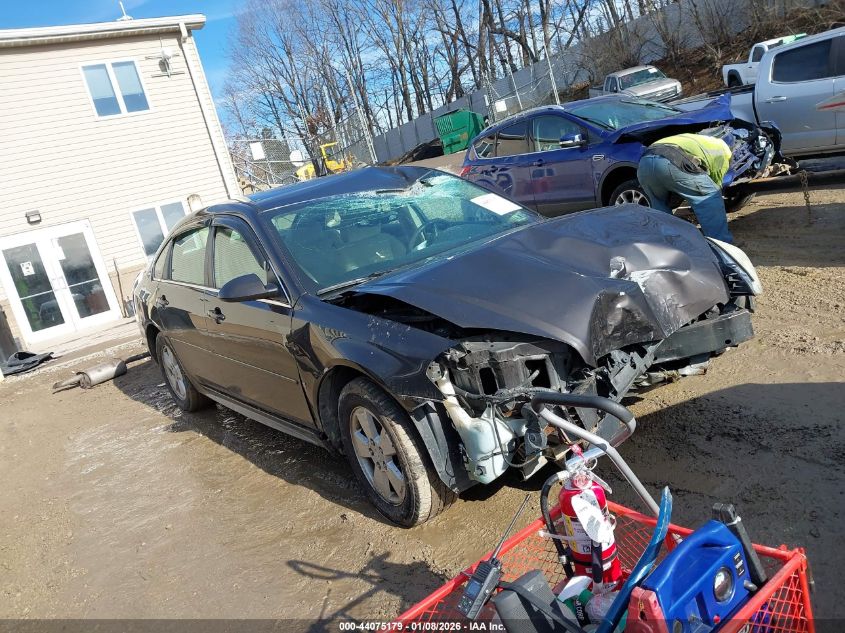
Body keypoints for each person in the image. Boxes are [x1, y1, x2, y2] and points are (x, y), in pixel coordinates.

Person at [636, 133, 734, 243]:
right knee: (710, 198)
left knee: (660, 206)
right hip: (673, 161)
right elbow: (715, 182)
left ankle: (671, 245)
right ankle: (722, 246)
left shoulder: (699, 139)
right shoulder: (724, 152)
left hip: (645, 164)